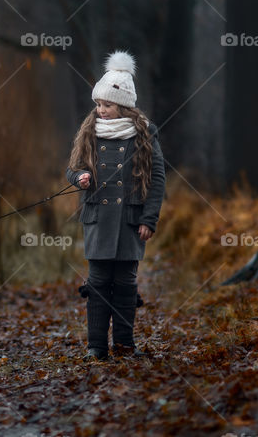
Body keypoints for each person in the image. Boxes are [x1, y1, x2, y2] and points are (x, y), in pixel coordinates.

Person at [65, 50, 166, 360]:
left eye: (107, 105)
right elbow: (73, 168)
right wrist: (79, 176)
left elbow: (157, 178)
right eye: (98, 104)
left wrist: (149, 219)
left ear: (123, 106)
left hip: (130, 221)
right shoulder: (89, 131)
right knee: (97, 282)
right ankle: (96, 347)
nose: (100, 110)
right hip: (98, 219)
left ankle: (123, 345)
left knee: (124, 283)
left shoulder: (145, 133)